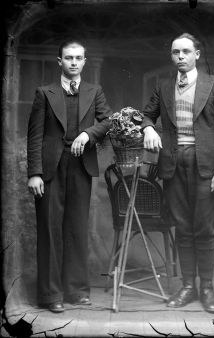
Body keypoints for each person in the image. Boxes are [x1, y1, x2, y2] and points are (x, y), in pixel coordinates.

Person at [142, 33, 214, 313]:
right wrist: (147, 127)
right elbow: (146, 115)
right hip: (172, 163)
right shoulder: (164, 86)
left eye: (185, 52)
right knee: (182, 227)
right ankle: (187, 286)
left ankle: (206, 287)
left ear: (197, 54)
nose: (180, 57)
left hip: (205, 165)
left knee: (203, 228)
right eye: (175, 52)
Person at [27, 39, 112, 313]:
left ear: (84, 62)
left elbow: (107, 121)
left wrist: (87, 134)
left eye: (78, 58)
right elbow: (35, 136)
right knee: (50, 230)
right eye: (68, 58)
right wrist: (34, 173)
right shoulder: (44, 93)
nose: (74, 62)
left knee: (76, 228)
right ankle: (51, 295)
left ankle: (76, 291)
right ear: (59, 61)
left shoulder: (94, 91)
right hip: (51, 167)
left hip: (80, 166)